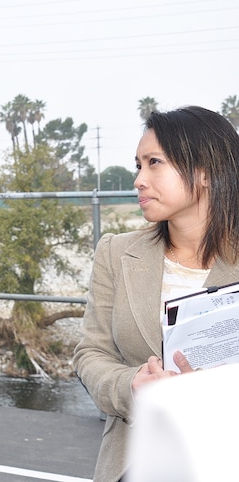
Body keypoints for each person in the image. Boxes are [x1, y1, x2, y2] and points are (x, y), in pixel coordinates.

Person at [73, 105, 239, 482]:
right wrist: (130, 385)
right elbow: (90, 353)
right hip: (132, 464)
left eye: (154, 163)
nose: (139, 180)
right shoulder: (116, 253)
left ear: (206, 172)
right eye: (138, 165)